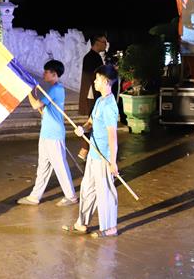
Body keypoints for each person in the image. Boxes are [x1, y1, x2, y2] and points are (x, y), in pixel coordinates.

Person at [63, 64, 121, 237]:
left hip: (104, 157)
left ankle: (110, 228)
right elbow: (90, 123)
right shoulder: (99, 101)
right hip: (94, 154)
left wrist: (113, 162)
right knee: (87, 189)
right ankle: (82, 223)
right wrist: (83, 128)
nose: (94, 82)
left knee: (105, 193)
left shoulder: (109, 106)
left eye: (97, 79)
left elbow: (113, 137)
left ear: (105, 81)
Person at [17, 60, 78, 207]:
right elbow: (43, 109)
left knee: (60, 166)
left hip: (54, 134)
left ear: (54, 74)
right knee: (43, 167)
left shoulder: (56, 89)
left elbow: (35, 105)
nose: (44, 74)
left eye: (46, 72)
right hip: (46, 133)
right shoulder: (53, 89)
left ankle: (71, 196)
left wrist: (28, 91)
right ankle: (35, 197)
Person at [78, 35, 107, 159]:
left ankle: (86, 149)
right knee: (92, 120)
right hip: (92, 95)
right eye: (104, 42)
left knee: (94, 120)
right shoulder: (91, 57)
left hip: (94, 95)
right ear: (97, 42)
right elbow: (92, 77)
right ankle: (84, 149)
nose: (106, 44)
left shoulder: (94, 57)